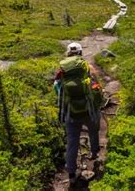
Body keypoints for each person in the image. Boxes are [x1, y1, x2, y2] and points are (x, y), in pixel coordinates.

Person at [54, 42, 102, 184]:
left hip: (71, 113)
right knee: (93, 130)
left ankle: (71, 174)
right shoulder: (88, 68)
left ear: (68, 54)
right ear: (80, 53)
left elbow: (57, 90)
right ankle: (94, 153)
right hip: (89, 110)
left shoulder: (62, 71)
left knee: (72, 141)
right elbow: (97, 87)